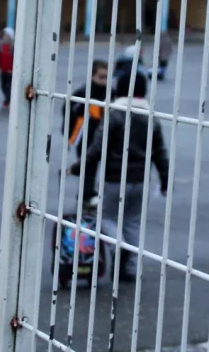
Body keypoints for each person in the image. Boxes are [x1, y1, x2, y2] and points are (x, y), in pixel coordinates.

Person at [78, 71, 169, 281]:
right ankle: (130, 270)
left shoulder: (116, 113)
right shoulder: (150, 116)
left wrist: (82, 165)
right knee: (133, 222)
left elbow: (98, 147)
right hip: (140, 179)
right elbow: (160, 152)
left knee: (106, 217)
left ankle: (117, 245)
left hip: (114, 177)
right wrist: (164, 179)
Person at [64, 60, 111, 206]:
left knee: (93, 165)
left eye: (106, 77)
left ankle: (86, 189)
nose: (104, 81)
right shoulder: (83, 93)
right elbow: (69, 110)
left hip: (101, 135)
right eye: (101, 77)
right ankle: (86, 195)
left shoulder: (109, 92)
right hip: (85, 136)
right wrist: (71, 132)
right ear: (92, 76)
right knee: (88, 165)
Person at [0, 28, 15, 108]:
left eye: (7, 36)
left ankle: (8, 100)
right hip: (3, 71)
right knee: (2, 86)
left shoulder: (13, 47)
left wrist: (14, 69)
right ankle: (8, 98)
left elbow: (15, 59)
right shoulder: (0, 46)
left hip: (10, 71)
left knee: (8, 86)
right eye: (4, 35)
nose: (5, 37)